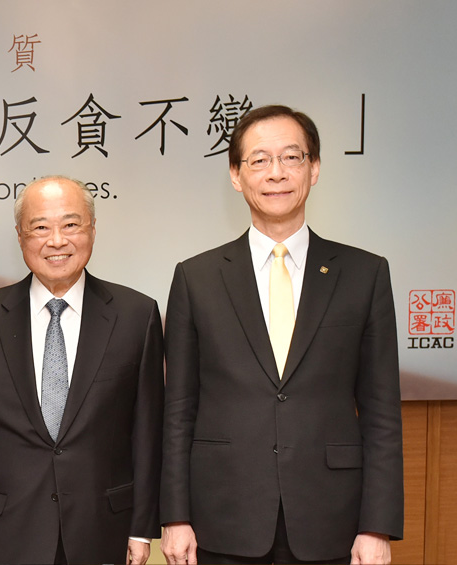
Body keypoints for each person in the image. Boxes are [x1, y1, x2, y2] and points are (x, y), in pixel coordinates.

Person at [161, 105, 403, 564]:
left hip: (332, 518)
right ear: (236, 174)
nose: (276, 173)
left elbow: (381, 412)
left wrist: (377, 526)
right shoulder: (197, 277)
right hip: (223, 517)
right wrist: (175, 518)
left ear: (314, 169)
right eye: (259, 160)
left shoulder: (364, 274)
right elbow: (178, 410)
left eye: (292, 158)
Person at [0, 176, 163, 564]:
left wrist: (141, 527)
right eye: (40, 227)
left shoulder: (136, 315)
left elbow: (147, 431)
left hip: (104, 529)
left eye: (71, 224)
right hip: (5, 531)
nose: (57, 240)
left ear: (92, 230)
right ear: (20, 236)